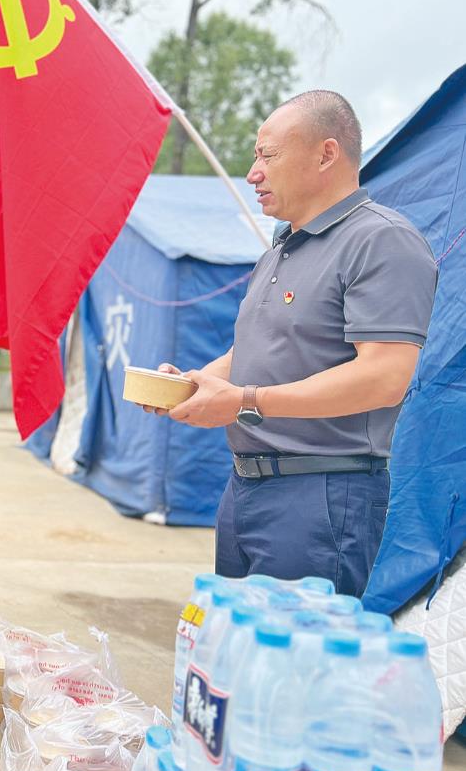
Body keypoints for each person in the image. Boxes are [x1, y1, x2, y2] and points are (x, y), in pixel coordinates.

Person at [147, 90, 438, 598]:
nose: (253, 172)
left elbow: (385, 378)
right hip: (247, 489)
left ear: (326, 154)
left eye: (267, 155)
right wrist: (198, 383)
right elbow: (259, 351)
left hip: (321, 495)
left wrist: (244, 402)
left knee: (294, 668)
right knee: (240, 665)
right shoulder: (283, 247)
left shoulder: (381, 241)